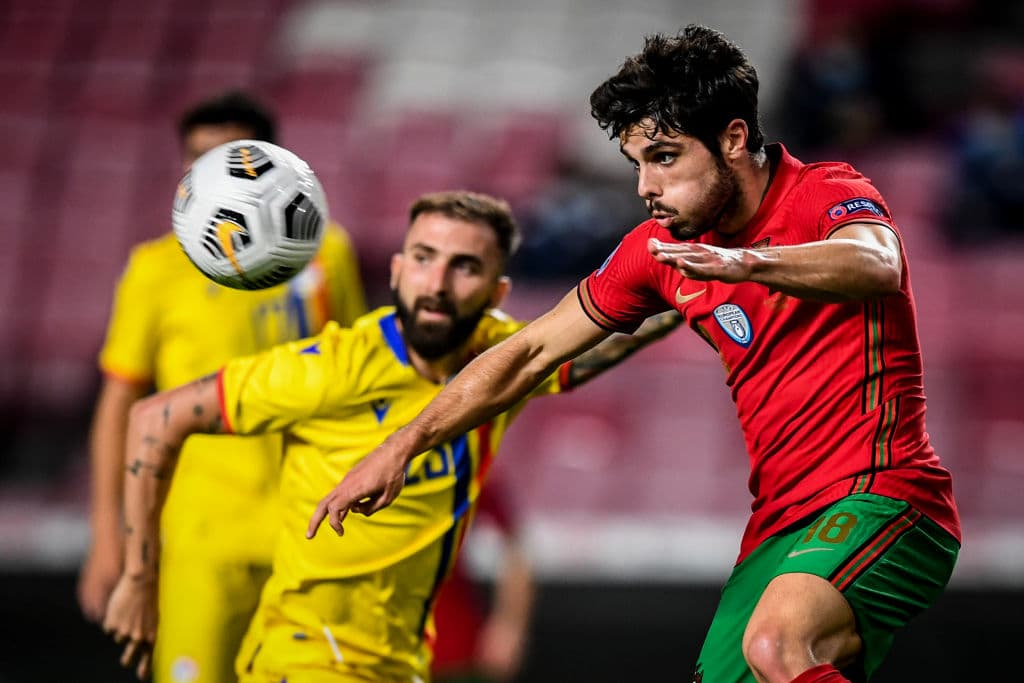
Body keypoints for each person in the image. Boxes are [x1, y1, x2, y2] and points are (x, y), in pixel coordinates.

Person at [307, 25, 962, 683]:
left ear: (734, 139)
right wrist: (401, 446)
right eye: (637, 163)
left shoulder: (823, 191)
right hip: (780, 524)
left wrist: (746, 263)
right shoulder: (655, 251)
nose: (646, 185)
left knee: (776, 645)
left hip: (884, 493)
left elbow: (877, 263)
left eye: (665, 158)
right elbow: (529, 351)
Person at [101, 190, 682, 682]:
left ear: (496, 293)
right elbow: (156, 417)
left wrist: (684, 295)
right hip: (307, 658)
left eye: (465, 267)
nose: (437, 283)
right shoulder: (333, 367)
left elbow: (590, 348)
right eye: (424, 259)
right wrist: (138, 576)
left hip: (401, 662)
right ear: (397, 270)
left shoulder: (500, 359)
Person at [78, 90, 367, 683]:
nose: (211, 174)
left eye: (231, 158)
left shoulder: (327, 254)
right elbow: (118, 406)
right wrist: (109, 537)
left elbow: (358, 381)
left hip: (310, 528)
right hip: (199, 536)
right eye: (198, 159)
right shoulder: (156, 269)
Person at [430, 479, 533, 683]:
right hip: (378, 641)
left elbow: (514, 550)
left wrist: (509, 625)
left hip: (453, 648)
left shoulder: (457, 473)